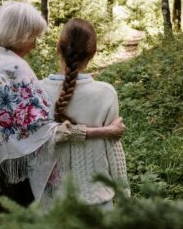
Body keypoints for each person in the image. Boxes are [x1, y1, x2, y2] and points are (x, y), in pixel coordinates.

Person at [0, 2, 125, 229]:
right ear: (18, 36)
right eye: (34, 38)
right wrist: (102, 132)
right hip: (5, 173)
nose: (35, 45)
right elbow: (44, 131)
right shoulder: (19, 70)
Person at [40, 18, 130, 210]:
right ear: (93, 53)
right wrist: (124, 198)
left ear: (58, 48)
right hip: (97, 201)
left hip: (49, 204)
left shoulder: (37, 90)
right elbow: (113, 148)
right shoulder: (105, 93)